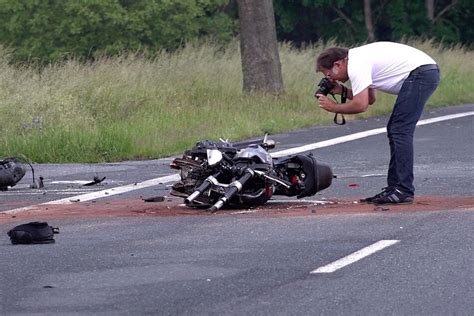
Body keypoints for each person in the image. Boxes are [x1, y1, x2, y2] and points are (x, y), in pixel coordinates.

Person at [315, 42, 440, 204]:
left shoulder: (356, 64)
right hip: (424, 71)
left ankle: (402, 189)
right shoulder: (357, 59)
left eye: (329, 74)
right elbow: (371, 99)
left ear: (338, 64)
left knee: (400, 130)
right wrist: (342, 91)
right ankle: (395, 187)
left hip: (421, 73)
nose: (329, 79)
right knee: (395, 129)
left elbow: (361, 105)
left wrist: (333, 107)